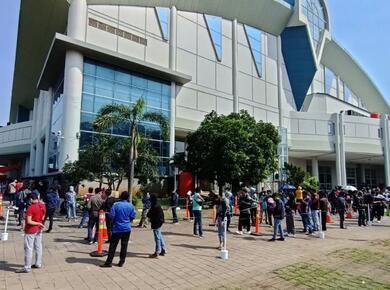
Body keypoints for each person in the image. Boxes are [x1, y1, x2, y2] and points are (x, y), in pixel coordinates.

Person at [100, 191, 136, 267]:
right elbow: (133, 216)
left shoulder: (116, 205)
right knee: (124, 245)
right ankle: (121, 262)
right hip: (127, 228)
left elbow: (111, 216)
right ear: (127, 197)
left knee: (113, 245)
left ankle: (109, 262)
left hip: (117, 228)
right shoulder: (131, 205)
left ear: (120, 196)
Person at [15, 191, 46, 273]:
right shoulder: (42, 205)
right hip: (39, 229)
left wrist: (37, 222)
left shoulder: (31, 208)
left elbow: (29, 221)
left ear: (31, 199)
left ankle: (27, 267)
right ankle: (38, 263)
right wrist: (39, 222)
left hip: (31, 230)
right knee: (38, 246)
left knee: (28, 248)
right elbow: (43, 217)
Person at [147, 194, 166, 258]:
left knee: (157, 237)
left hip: (156, 223)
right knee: (159, 235)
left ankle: (157, 252)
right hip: (160, 222)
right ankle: (163, 249)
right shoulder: (158, 204)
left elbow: (148, 214)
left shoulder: (154, 206)